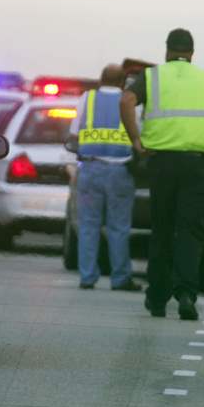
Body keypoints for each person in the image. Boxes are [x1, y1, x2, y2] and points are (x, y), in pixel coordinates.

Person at [120, 28, 204, 320]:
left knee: (162, 229)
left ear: (167, 51)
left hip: (162, 163)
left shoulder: (152, 77)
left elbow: (126, 100)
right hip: (200, 165)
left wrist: (136, 140)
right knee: (190, 230)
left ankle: (157, 299)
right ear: (191, 53)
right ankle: (187, 294)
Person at [70, 64, 142, 291]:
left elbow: (74, 134)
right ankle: (120, 278)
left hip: (90, 169)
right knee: (119, 227)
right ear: (123, 82)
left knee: (88, 226)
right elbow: (141, 134)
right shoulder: (131, 102)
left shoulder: (87, 99)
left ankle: (87, 276)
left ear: (101, 80)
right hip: (120, 171)